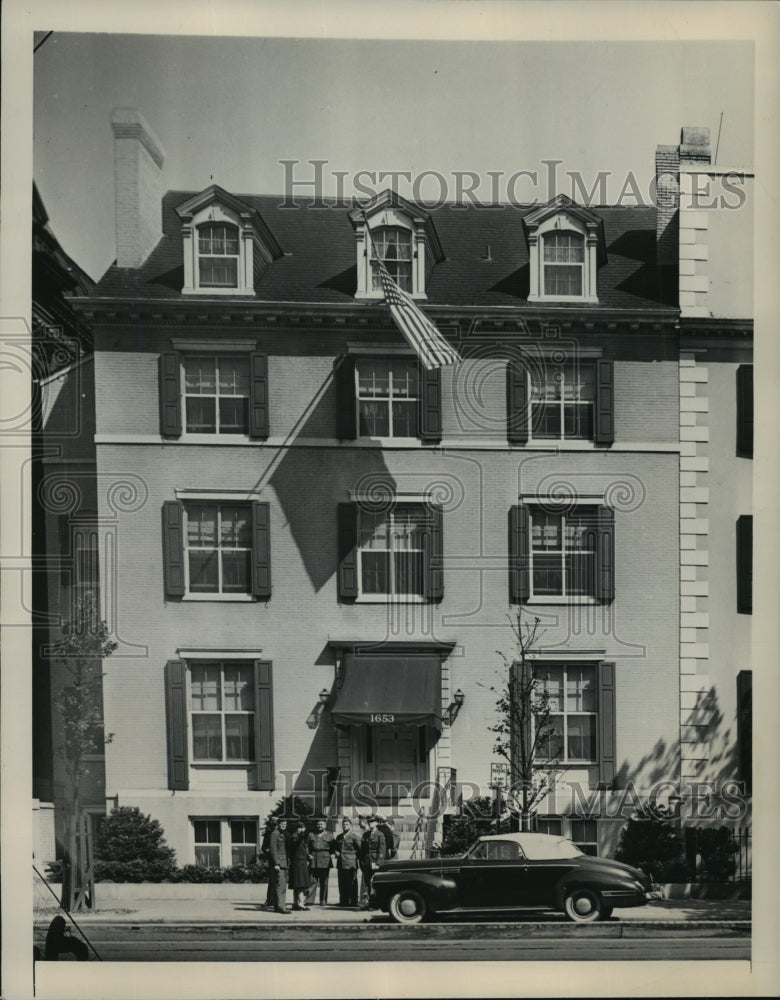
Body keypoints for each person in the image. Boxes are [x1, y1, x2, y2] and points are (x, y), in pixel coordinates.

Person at [333, 817, 362, 907]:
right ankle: (343, 901)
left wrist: (353, 856)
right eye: (343, 824)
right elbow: (336, 848)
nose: (345, 826)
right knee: (342, 883)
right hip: (341, 862)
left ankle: (353, 901)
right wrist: (336, 852)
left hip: (350, 863)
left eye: (347, 824)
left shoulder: (354, 837)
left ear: (351, 826)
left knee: (352, 882)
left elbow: (360, 849)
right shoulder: (339, 837)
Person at [307, 818, 334, 905]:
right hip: (313, 859)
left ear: (325, 826)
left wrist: (332, 854)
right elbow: (307, 846)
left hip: (325, 860)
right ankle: (309, 900)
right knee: (312, 881)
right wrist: (308, 854)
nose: (319, 826)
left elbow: (334, 847)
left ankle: (323, 900)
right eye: (318, 824)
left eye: (321, 824)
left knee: (324, 882)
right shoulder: (311, 835)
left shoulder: (330, 835)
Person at [362, 814, 386, 908]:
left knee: (374, 883)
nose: (370, 823)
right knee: (367, 883)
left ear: (376, 823)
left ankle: (375, 903)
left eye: (372, 821)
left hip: (374, 860)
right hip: (366, 861)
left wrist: (378, 863)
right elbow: (363, 849)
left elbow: (382, 850)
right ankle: (367, 902)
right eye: (369, 822)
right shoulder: (366, 834)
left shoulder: (380, 834)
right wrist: (362, 862)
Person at [268, 818, 290, 913]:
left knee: (282, 885)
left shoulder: (282, 834)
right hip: (279, 864)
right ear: (278, 824)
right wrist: (276, 863)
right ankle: (281, 907)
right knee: (280, 885)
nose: (283, 826)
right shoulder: (275, 833)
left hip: (284, 863)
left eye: (285, 824)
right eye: (282, 824)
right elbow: (273, 850)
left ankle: (278, 906)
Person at [288, 819, 311, 911]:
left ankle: (296, 903)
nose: (300, 829)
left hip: (300, 861)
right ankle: (300, 903)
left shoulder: (301, 837)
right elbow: (296, 843)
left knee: (297, 884)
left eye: (302, 827)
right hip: (298, 862)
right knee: (300, 883)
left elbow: (302, 848)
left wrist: (307, 855)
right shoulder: (295, 836)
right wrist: (301, 835)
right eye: (299, 828)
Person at [260, 817, 278, 910]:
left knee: (280, 881)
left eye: (276, 823)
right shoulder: (268, 834)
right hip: (272, 860)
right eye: (273, 823)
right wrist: (268, 850)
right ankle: (270, 900)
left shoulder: (282, 833)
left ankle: (279, 900)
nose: (274, 825)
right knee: (273, 880)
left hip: (282, 859)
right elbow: (264, 847)